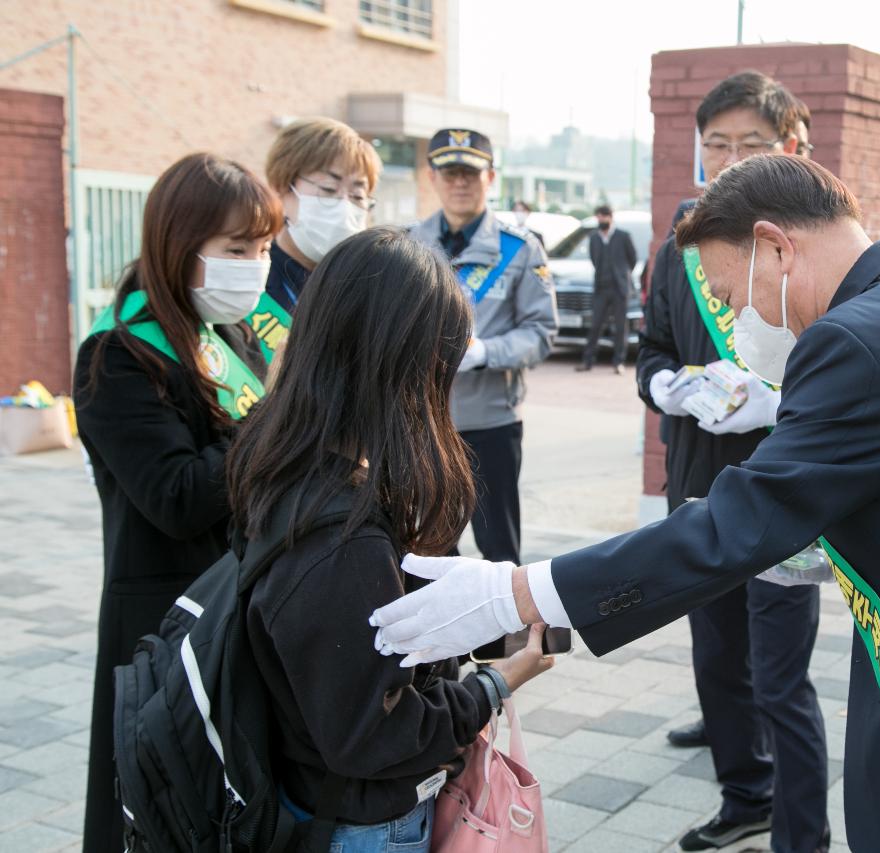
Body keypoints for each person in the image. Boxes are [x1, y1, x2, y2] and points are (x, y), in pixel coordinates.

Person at [369, 155, 880, 853]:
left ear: (775, 248)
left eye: (726, 294)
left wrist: (519, 591)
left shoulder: (856, 338)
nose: (734, 317)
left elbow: (734, 522)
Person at [227, 226, 552, 851]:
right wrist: (495, 684)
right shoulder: (338, 537)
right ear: (398, 364)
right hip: (363, 824)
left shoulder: (288, 460)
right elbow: (373, 735)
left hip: (317, 793)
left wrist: (491, 614)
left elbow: (368, 642)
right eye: (440, 364)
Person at [638, 71, 829, 853]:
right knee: (716, 654)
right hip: (699, 486)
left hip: (786, 496)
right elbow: (649, 347)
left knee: (780, 677)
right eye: (715, 144)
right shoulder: (682, 242)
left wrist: (777, 399)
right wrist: (670, 385)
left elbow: (850, 367)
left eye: (748, 144)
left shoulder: (816, 241)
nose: (727, 158)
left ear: (789, 148)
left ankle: (803, 832)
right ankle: (744, 794)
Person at [74, 152, 281, 852]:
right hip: (162, 623)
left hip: (239, 604)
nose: (254, 265)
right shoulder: (120, 357)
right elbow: (177, 496)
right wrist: (274, 421)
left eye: (261, 248)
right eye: (235, 249)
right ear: (179, 246)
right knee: (157, 807)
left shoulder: (234, 335)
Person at [407, 128, 557, 565]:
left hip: (490, 422)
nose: (460, 183)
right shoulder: (407, 245)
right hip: (423, 423)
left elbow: (541, 332)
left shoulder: (520, 249)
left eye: (470, 174)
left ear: (490, 178)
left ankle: (507, 636)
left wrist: (487, 352)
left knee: (498, 551)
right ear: (432, 177)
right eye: (450, 172)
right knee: (429, 550)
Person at [251, 117, 379, 362]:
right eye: (329, 189)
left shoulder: (370, 282)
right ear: (282, 187)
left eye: (357, 195)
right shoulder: (254, 279)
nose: (344, 205)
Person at [578, 204, 638, 374]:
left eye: (603, 217)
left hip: (619, 288)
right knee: (595, 325)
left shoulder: (623, 236)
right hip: (601, 288)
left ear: (610, 217)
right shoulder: (594, 238)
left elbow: (632, 259)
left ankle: (618, 362)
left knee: (620, 327)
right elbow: (594, 259)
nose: (601, 220)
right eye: (598, 217)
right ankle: (588, 361)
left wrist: (622, 275)